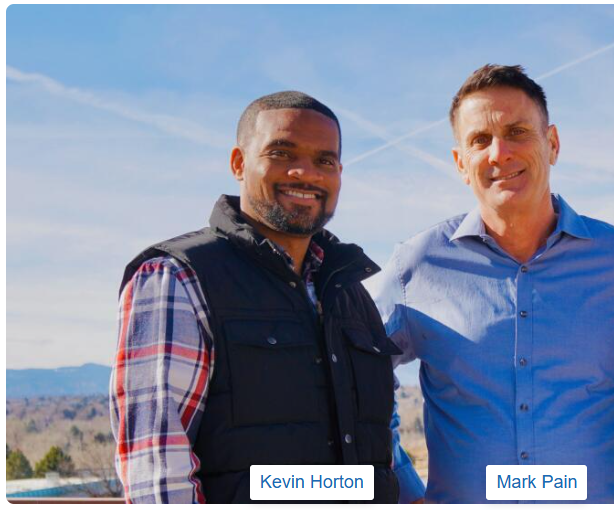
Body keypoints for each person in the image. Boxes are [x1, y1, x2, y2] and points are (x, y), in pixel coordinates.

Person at [371, 65, 614, 503]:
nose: (499, 153)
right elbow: (356, 387)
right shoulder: (414, 268)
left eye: (517, 132)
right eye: (480, 140)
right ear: (461, 162)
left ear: (551, 144)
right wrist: (404, 488)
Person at [109, 91, 418, 503]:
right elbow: (158, 476)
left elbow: (379, 442)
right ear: (239, 162)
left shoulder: (351, 294)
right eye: (281, 152)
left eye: (324, 160)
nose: (304, 173)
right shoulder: (178, 278)